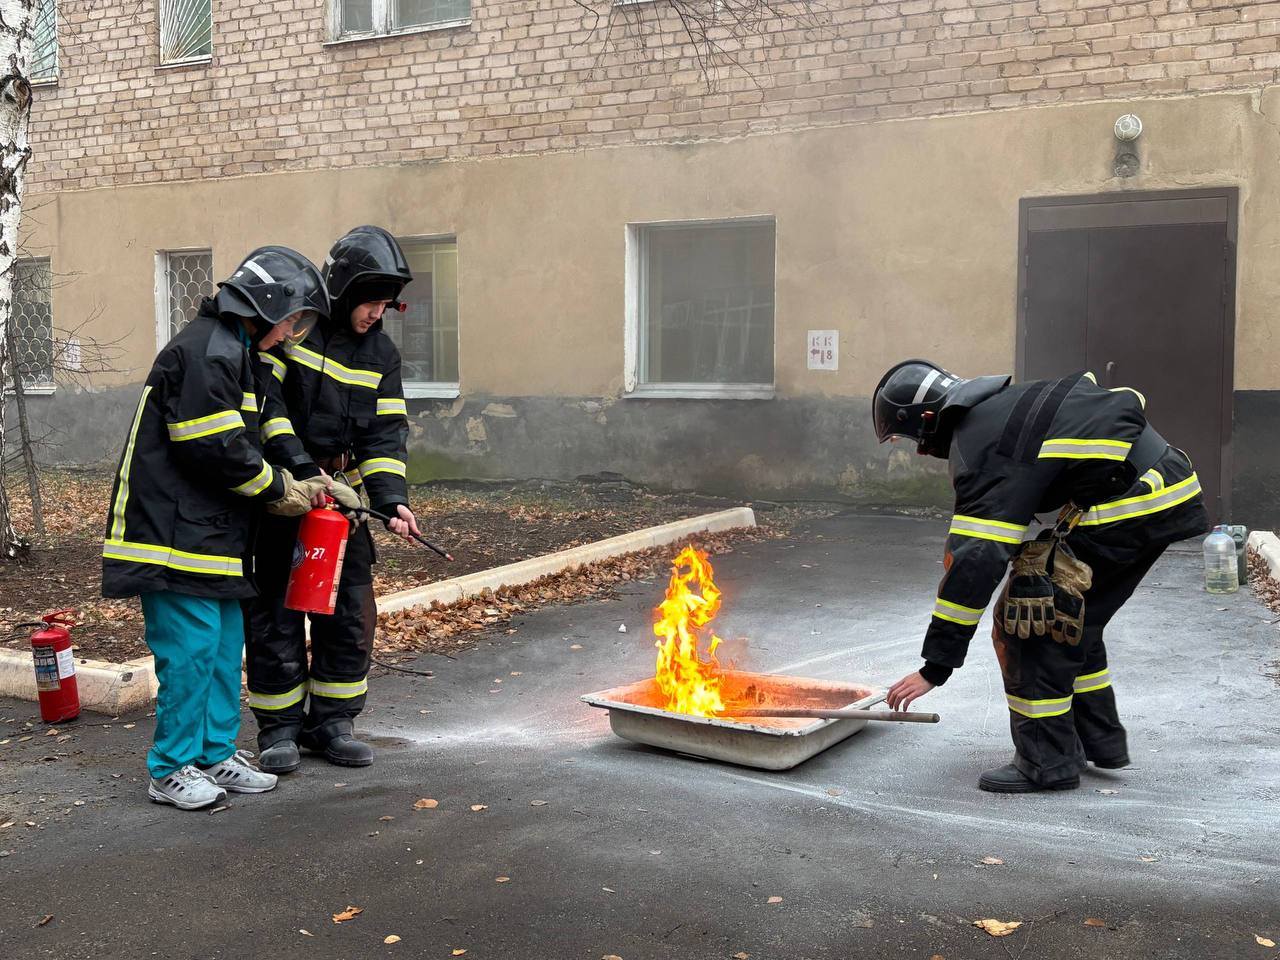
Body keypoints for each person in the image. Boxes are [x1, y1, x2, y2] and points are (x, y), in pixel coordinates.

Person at [875, 360, 1208, 793]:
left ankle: (1046, 763)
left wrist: (935, 667)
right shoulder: (999, 408)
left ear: (927, 419)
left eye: (912, 439)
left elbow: (976, 561)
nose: (921, 451)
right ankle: (1095, 740)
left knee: (1033, 620)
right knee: (1076, 618)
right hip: (1159, 487)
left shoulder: (979, 446)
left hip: (1131, 505)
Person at [101, 246, 331, 810]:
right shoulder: (209, 351)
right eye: (293, 319)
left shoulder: (236, 351)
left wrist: (305, 475)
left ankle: (212, 754)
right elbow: (214, 446)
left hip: (209, 537)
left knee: (225, 649)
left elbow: (257, 430)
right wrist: (278, 489)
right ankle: (170, 767)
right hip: (171, 538)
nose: (293, 332)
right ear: (267, 305)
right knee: (192, 654)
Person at [246, 225, 423, 773]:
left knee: (349, 612)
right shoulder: (296, 331)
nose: (377, 313)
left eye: (385, 304)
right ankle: (280, 728)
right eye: (371, 302)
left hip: (342, 503)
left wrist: (391, 500)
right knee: (275, 612)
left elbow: (385, 436)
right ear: (344, 291)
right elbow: (268, 409)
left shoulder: (381, 354)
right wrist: (302, 471)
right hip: (285, 495)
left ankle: (333, 723)